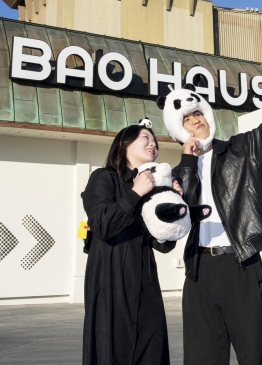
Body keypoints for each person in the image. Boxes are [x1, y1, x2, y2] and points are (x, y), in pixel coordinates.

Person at [171, 51, 262, 364]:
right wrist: (189, 160)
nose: (196, 120)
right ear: (178, 130)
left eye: (198, 114)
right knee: (201, 358)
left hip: (240, 263)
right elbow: (181, 214)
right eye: (187, 119)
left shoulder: (243, 148)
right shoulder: (177, 173)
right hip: (199, 271)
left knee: (253, 355)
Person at [82, 121, 180, 365]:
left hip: (145, 283)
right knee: (111, 351)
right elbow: (103, 225)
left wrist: (173, 207)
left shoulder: (154, 191)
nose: (153, 143)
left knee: (151, 351)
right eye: (145, 137)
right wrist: (135, 192)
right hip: (110, 283)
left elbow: (164, 245)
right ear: (124, 144)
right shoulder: (103, 178)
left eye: (155, 140)